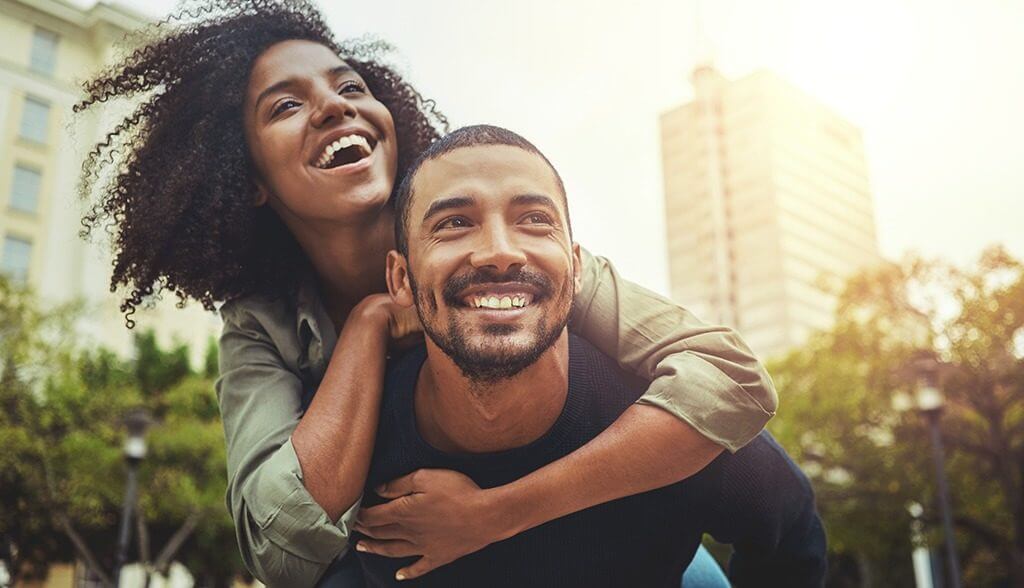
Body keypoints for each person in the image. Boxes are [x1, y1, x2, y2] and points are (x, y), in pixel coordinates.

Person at [75, 1, 778, 586]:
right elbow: (280, 549)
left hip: (642, 555)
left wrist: (497, 512)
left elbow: (730, 381)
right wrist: (371, 325)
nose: (332, 108)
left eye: (351, 87)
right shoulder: (260, 330)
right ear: (245, 177)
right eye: (286, 105)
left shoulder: (507, 255)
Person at [353, 124, 826, 587]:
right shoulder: (363, 448)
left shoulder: (676, 427)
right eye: (454, 223)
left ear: (577, 269)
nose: (499, 252)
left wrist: (493, 513)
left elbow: (789, 527)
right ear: (400, 279)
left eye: (535, 220)